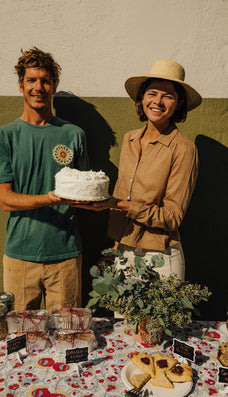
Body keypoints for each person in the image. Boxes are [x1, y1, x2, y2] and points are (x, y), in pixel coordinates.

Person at [74, 59, 201, 280]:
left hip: (160, 259)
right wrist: (115, 249)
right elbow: (125, 193)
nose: (158, 102)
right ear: (142, 97)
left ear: (179, 103)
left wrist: (117, 204)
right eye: (152, 93)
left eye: (168, 96)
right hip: (123, 253)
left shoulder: (184, 149)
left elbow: (171, 217)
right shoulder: (130, 140)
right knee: (120, 316)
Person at [0, 47, 89, 312]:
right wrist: (49, 198)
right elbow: (4, 199)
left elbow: (85, 193)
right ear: (20, 86)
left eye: (45, 80)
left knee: (67, 337)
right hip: (20, 256)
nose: (39, 87)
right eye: (31, 80)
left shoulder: (73, 134)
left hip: (66, 256)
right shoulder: (3, 137)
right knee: (21, 338)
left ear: (54, 86)